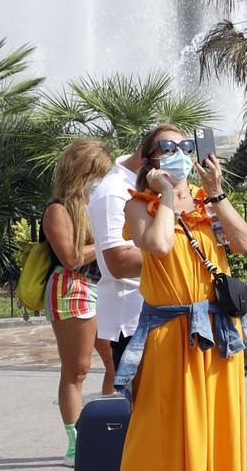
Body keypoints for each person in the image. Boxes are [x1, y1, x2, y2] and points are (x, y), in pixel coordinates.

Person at [117, 126, 247, 469]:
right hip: (169, 333)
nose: (179, 152)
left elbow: (242, 242)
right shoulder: (139, 206)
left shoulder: (206, 200)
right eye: (167, 147)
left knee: (219, 421)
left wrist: (217, 193)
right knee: (163, 424)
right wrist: (165, 195)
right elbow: (160, 244)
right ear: (149, 160)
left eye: (185, 146)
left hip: (218, 330)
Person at [43, 139, 113, 467]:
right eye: (96, 173)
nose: (100, 180)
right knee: (77, 368)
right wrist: (106, 241)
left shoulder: (97, 202)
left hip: (104, 286)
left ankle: (112, 431)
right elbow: (70, 257)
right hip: (73, 288)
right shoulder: (58, 209)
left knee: (118, 363)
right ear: (81, 171)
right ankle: (75, 442)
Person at [87, 137, 150, 399]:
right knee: (138, 409)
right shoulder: (113, 191)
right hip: (134, 319)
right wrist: (178, 252)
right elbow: (120, 263)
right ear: (147, 157)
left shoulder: (147, 184)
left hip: (156, 313)